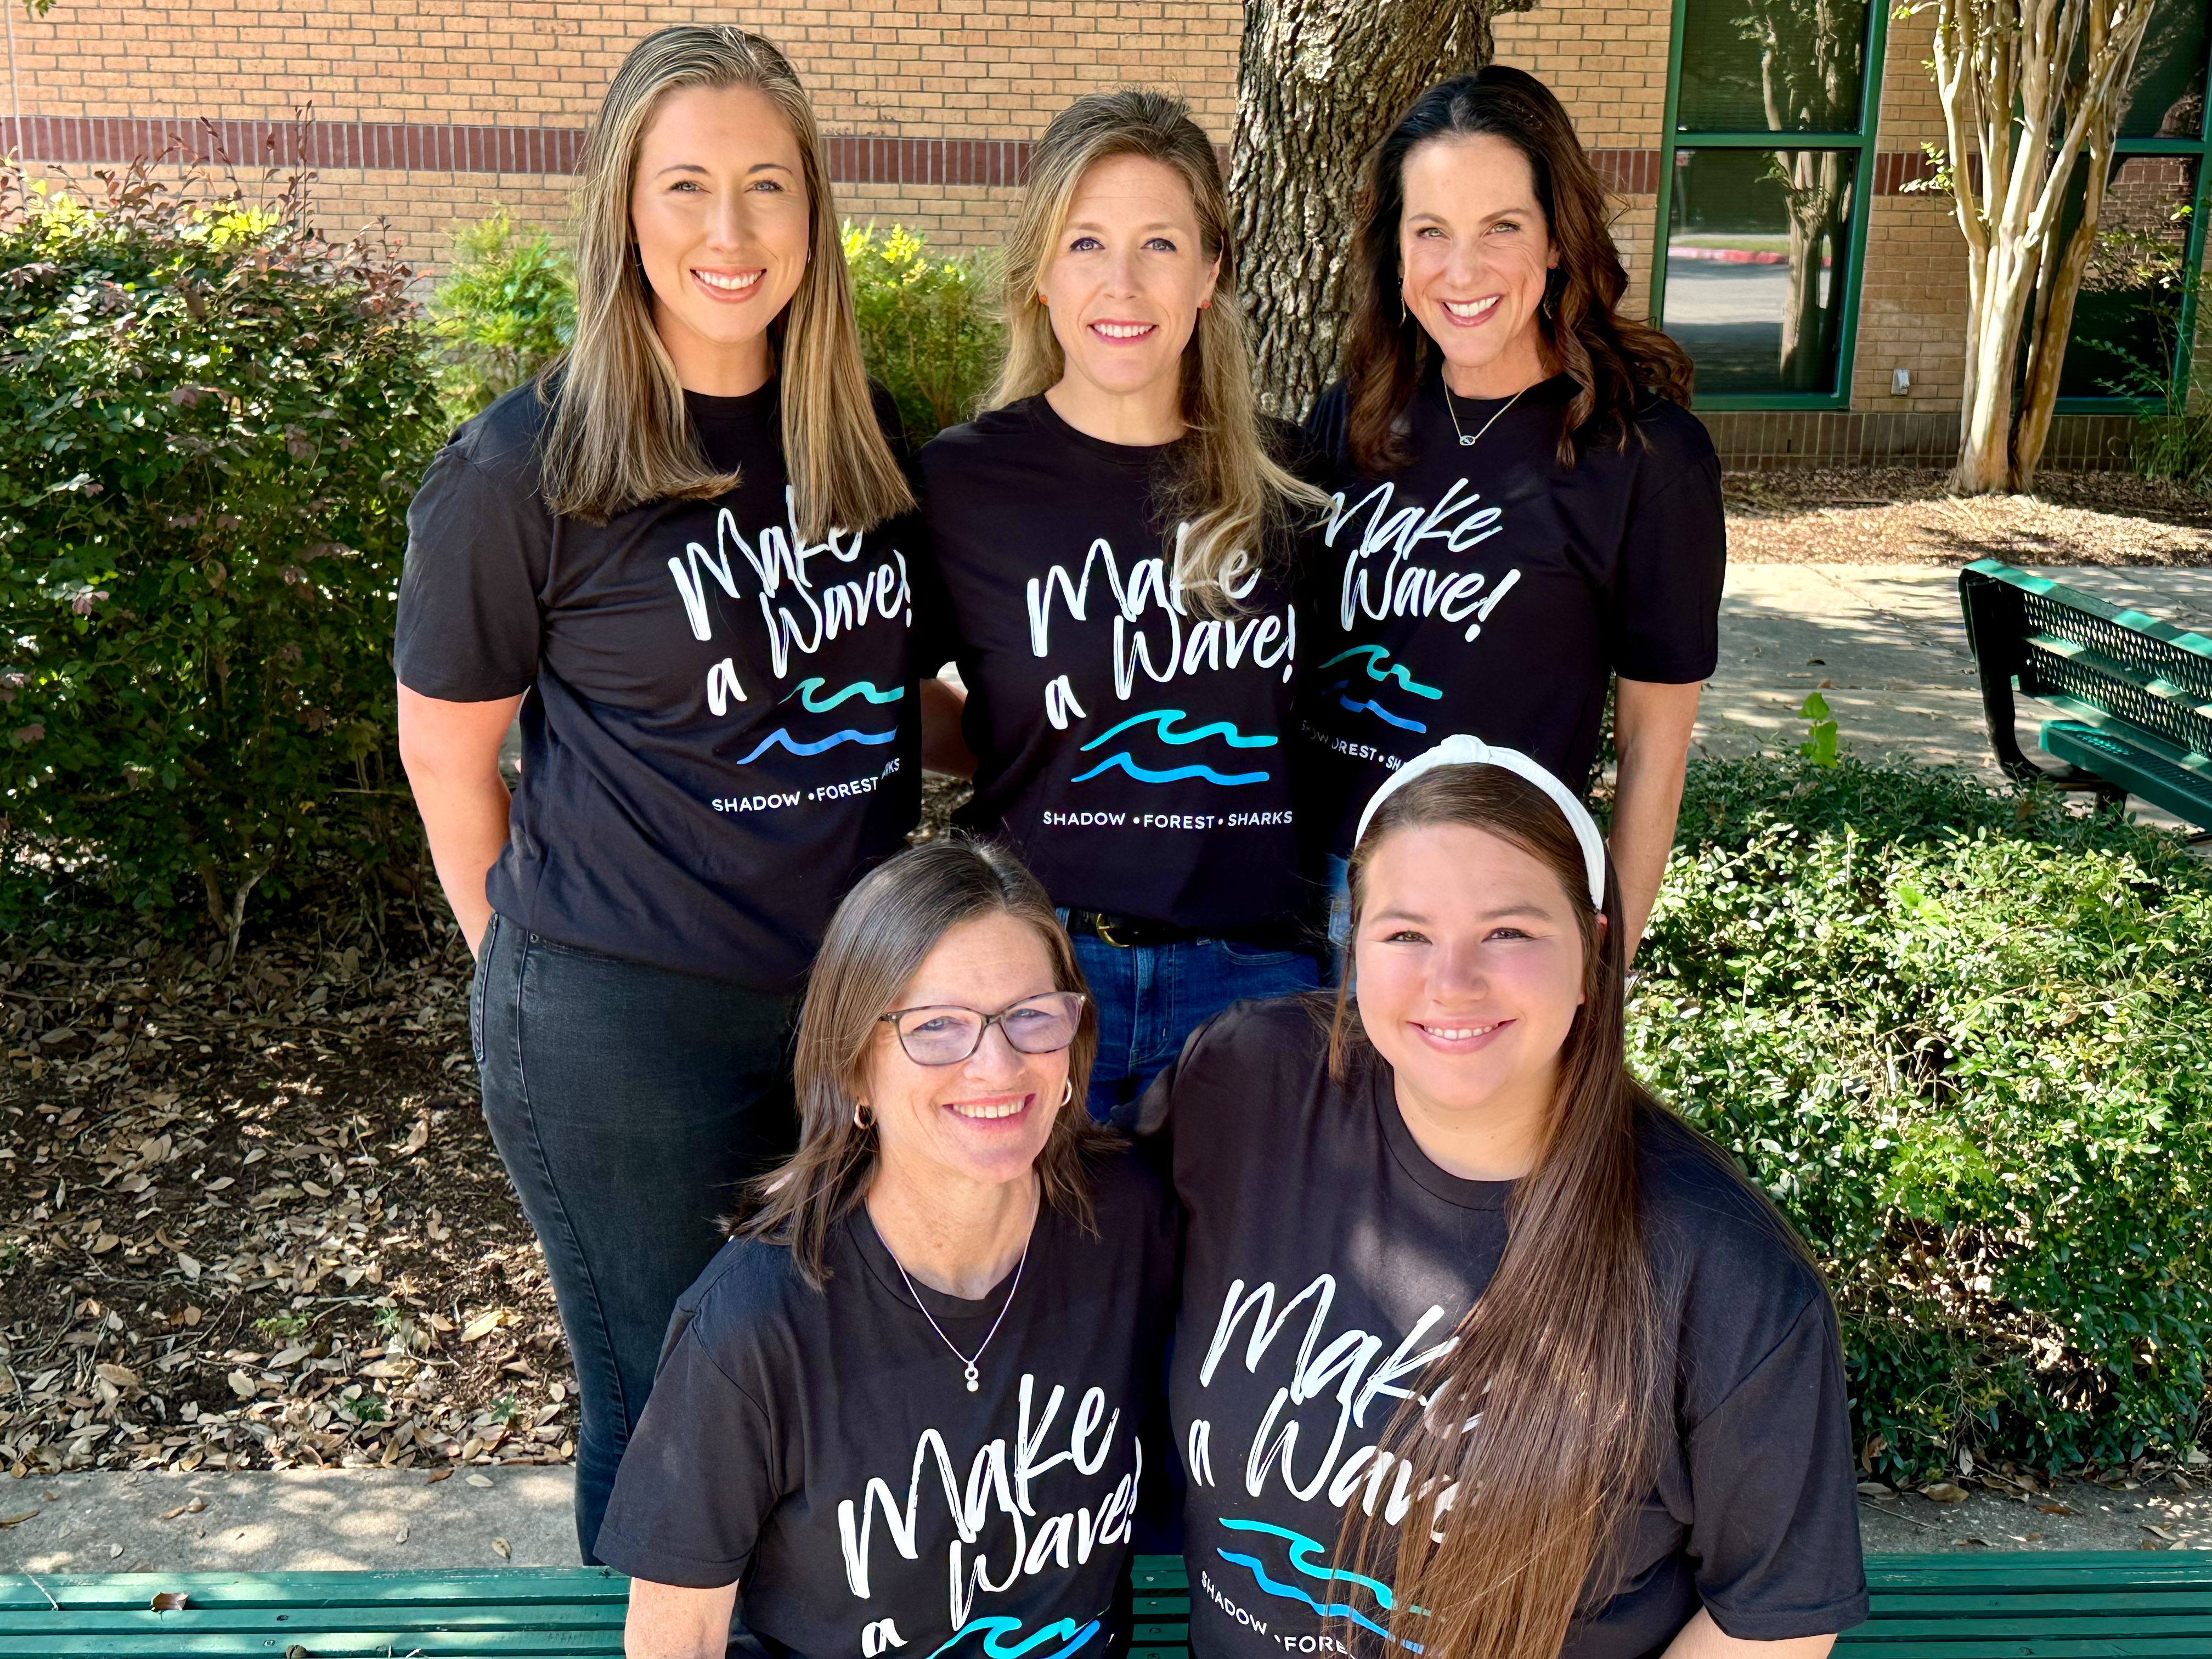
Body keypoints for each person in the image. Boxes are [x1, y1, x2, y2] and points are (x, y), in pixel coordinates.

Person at [393, 26, 959, 1558]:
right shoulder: (526, 470)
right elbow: (448, 757)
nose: (730, 233)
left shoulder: (859, 436)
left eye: (767, 187)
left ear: (814, 212)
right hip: (619, 1021)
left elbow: (908, 692)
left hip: (855, 1001)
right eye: (687, 186)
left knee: (860, 1374)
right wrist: (521, 964)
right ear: (624, 207)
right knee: (667, 1400)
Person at [1139, 736, 1866, 1659]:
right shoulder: (1252, 1090)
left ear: (1596, 954)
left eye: (1510, 932)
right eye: (1405, 933)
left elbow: (1772, 1618)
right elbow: (1066, 1232)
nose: (1452, 982)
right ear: (1352, 945)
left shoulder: (1721, 1269)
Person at [600, 838, 1177, 1659]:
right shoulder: (753, 1326)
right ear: (857, 1069)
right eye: (938, 1027)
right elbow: (675, 1638)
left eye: (1032, 1016)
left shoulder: (1129, 1221)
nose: (998, 1064)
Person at [917, 91, 1330, 1126]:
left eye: (1160, 244)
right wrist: (1026, 735)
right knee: (1053, 1280)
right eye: (1087, 242)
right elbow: (884, 688)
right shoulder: (962, 485)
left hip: (1256, 979)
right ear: (1040, 275)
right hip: (1034, 977)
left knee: (1234, 1284)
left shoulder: (1295, 484)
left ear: (1210, 273)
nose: (1122, 283)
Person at [1299, 67, 1724, 962]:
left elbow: (1655, 749)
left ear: (1558, 239)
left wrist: (1610, 962)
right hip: (1300, 883)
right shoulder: (1358, 412)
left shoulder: (1647, 457)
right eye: (1431, 232)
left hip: (1483, 913)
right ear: (1396, 249)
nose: (1463, 271)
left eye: (1502, 228)